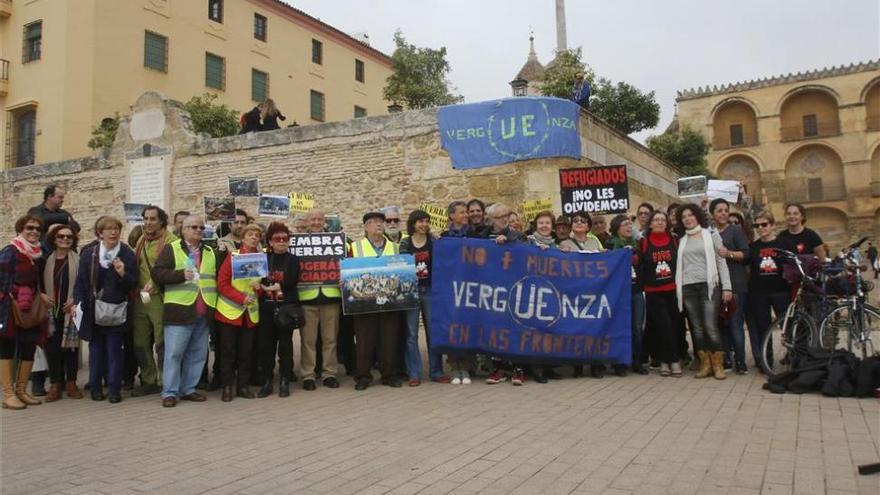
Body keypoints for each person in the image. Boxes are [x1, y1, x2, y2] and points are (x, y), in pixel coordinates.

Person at [150, 215, 217, 407]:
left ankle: (189, 389)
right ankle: (169, 392)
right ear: (184, 230)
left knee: (198, 354)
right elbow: (158, 273)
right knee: (174, 353)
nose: (198, 230)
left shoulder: (210, 251)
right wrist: (180, 275)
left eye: (201, 227)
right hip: (179, 311)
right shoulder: (172, 249)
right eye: (193, 227)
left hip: (203, 311)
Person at [74, 216, 137, 403]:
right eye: (108, 229)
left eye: (116, 229)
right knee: (96, 351)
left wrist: (122, 273)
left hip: (117, 310)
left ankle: (115, 389)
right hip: (94, 310)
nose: (113, 232)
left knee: (115, 351)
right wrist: (78, 303)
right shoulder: (89, 253)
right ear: (100, 233)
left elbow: (132, 284)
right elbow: (80, 282)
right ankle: (95, 388)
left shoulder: (126, 254)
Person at [472, 204, 529, 386]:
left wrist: (511, 241)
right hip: (491, 291)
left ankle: (518, 368)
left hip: (513, 288)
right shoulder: (481, 237)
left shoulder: (518, 235)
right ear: (489, 220)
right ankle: (498, 368)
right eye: (499, 216)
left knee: (515, 326)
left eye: (506, 214)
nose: (504, 218)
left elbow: (528, 254)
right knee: (494, 329)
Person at [675, 204, 732, 380]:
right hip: (687, 287)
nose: (687, 218)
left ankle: (718, 365)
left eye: (691, 215)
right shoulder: (681, 239)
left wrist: (727, 287)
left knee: (710, 327)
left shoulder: (711, 235)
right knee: (697, 329)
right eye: (684, 216)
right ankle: (705, 364)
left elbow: (721, 261)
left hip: (709, 285)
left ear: (697, 216)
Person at [1, 215, 51, 410]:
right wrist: (16, 293)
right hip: (9, 307)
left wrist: (38, 294)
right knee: (6, 348)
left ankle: (22, 390)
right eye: (30, 228)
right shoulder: (10, 252)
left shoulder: (37, 254)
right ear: (20, 229)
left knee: (29, 346)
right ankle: (8, 394)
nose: (34, 231)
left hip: (30, 309)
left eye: (38, 229)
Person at [350, 211, 402, 391]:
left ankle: (389, 374)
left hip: (389, 300)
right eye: (373, 222)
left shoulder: (395, 247)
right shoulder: (355, 247)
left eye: (381, 222)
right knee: (364, 340)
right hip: (364, 302)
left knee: (389, 339)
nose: (379, 225)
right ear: (365, 227)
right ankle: (363, 376)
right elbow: (347, 271)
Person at [130, 206, 177, 398]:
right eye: (146, 219)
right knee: (140, 341)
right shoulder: (141, 240)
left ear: (161, 221)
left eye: (152, 219)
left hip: (160, 297)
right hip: (141, 298)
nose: (148, 222)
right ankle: (148, 380)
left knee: (162, 342)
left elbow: (176, 267)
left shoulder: (171, 241)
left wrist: (156, 281)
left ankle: (165, 381)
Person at [399, 209, 448, 385]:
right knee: (411, 334)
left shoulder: (434, 241)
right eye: (420, 221)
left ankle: (436, 371)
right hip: (411, 292)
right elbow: (401, 265)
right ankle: (414, 373)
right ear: (413, 224)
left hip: (430, 290)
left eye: (426, 221)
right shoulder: (405, 243)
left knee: (433, 331)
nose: (424, 225)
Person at [215, 224, 263, 401]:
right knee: (228, 353)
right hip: (229, 312)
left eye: (257, 235)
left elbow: (259, 286)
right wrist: (240, 298)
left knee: (246, 352)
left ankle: (243, 386)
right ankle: (227, 387)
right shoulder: (233, 257)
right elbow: (222, 284)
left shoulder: (260, 258)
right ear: (243, 238)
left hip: (249, 314)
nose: (254, 238)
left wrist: (259, 289)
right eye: (250, 234)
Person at [297, 209, 342, 391]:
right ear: (307, 222)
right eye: (313, 219)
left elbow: (343, 264)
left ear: (325, 222)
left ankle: (329, 373)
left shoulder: (336, 241)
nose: (316, 222)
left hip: (331, 296)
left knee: (330, 339)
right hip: (307, 297)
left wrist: (343, 277)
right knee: (308, 340)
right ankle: (308, 375)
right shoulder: (298, 243)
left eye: (319, 219)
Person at [747, 210, 796, 371]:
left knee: (787, 326)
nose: (761, 228)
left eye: (764, 224)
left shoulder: (784, 244)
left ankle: (793, 358)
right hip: (759, 292)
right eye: (757, 225)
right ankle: (765, 362)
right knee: (763, 328)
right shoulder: (753, 247)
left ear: (772, 225)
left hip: (781, 291)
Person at [256, 222, 300, 397]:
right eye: (277, 239)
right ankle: (267, 381)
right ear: (270, 242)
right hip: (266, 309)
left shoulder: (293, 259)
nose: (282, 242)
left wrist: (274, 286)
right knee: (266, 347)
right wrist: (262, 286)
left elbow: (291, 281)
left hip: (286, 308)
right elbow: (257, 278)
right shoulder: (263, 258)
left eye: (285, 238)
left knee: (286, 346)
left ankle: (284, 380)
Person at [640, 210, 686, 377]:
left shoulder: (674, 241)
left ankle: (665, 361)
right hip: (653, 292)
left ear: (667, 223)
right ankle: (673, 361)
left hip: (673, 290)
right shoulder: (643, 242)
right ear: (650, 223)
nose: (659, 222)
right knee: (663, 325)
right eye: (656, 220)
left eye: (662, 220)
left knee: (673, 326)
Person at [42, 225, 82, 401]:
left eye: (69, 237)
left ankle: (72, 383)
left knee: (71, 348)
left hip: (70, 310)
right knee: (52, 349)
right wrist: (43, 296)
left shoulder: (78, 260)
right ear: (54, 238)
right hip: (50, 310)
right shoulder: (44, 260)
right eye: (61, 236)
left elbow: (84, 284)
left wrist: (75, 299)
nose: (65, 239)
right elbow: (37, 284)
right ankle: (55, 384)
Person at [710, 199, 750, 375]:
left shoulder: (735, 230)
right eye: (719, 210)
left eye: (726, 210)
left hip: (736, 284)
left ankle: (740, 360)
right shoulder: (709, 233)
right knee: (721, 324)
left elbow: (746, 254)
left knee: (735, 324)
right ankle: (725, 358)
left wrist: (730, 254)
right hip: (718, 286)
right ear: (713, 214)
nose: (724, 213)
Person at [609, 214, 647, 375]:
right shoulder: (611, 245)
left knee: (637, 328)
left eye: (630, 224)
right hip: (618, 293)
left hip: (636, 290)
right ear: (617, 227)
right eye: (625, 224)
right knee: (619, 327)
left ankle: (637, 361)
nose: (629, 227)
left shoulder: (637, 244)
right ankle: (620, 363)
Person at [440, 201, 473, 384]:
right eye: (462, 212)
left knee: (466, 327)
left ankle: (466, 367)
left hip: (469, 287)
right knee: (452, 327)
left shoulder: (474, 235)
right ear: (452, 215)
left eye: (466, 212)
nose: (466, 215)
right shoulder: (444, 237)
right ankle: (454, 367)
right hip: (450, 288)